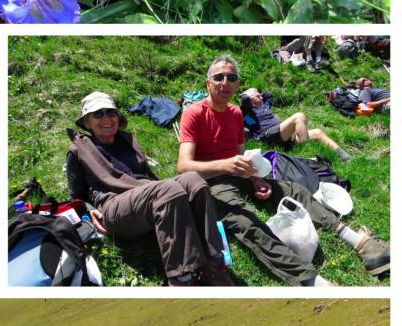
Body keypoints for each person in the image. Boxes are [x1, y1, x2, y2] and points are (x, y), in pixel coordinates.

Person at [177, 55, 391, 284]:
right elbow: (183, 167)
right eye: (218, 77)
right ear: (208, 83)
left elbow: (243, 156)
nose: (225, 82)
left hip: (238, 173)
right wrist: (223, 165)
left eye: (231, 78)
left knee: (294, 190)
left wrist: (255, 179)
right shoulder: (194, 113)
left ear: (237, 84)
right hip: (212, 181)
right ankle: (313, 282)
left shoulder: (236, 113)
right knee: (245, 221)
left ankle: (359, 242)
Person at [67, 91, 233, 286]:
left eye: (111, 112)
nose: (106, 118)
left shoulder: (127, 141)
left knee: (193, 180)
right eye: (98, 114)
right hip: (114, 205)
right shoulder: (79, 150)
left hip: (145, 196)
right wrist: (89, 211)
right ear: (87, 122)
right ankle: (181, 278)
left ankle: (213, 264)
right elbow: (75, 195)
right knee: (168, 189)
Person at [240, 89, 352, 162]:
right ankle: (308, 152)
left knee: (317, 132)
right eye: (258, 97)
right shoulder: (247, 113)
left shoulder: (264, 107)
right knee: (299, 116)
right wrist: (249, 94)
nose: (261, 98)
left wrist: (257, 93)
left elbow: (269, 96)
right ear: (250, 100)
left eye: (260, 96)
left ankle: (346, 157)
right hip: (268, 136)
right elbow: (244, 101)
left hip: (283, 136)